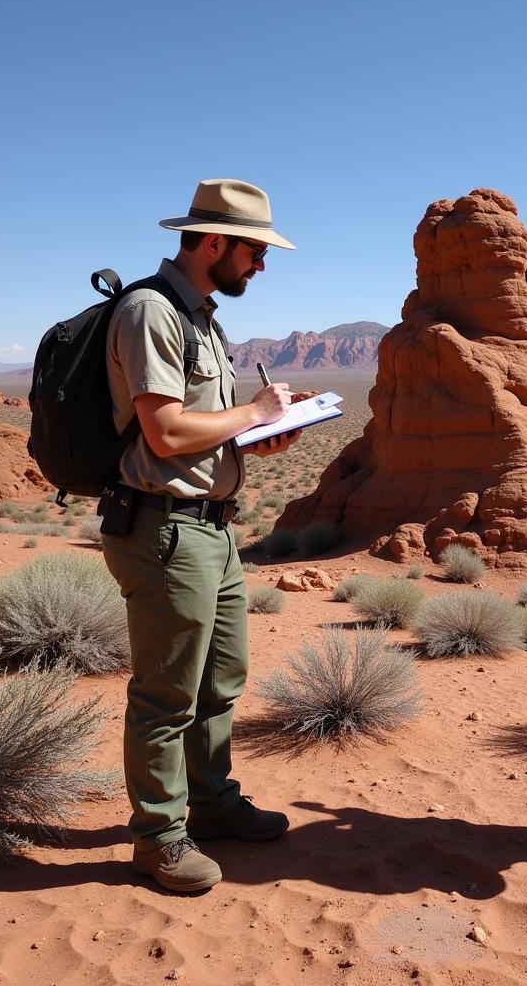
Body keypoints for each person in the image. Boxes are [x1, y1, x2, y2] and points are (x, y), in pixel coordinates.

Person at [101, 178, 301, 892]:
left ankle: (211, 805)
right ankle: (159, 836)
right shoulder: (152, 312)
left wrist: (259, 438)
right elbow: (164, 431)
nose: (261, 266)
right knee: (165, 695)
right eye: (254, 252)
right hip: (162, 532)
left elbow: (201, 437)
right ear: (213, 242)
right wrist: (251, 413)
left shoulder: (203, 318)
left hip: (210, 531)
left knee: (220, 682)